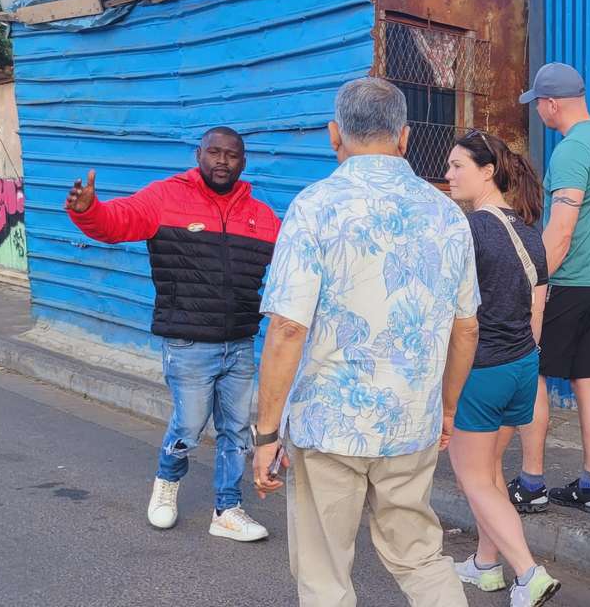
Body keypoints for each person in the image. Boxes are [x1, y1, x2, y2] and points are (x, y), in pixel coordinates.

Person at [250, 77, 478, 607]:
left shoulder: (315, 206)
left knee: (325, 573)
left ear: (336, 135)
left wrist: (265, 434)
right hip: (410, 420)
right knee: (420, 556)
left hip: (329, 426)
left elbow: (287, 327)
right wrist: (446, 408)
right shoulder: (447, 213)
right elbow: (466, 326)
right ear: (404, 136)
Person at [64, 126, 279, 543]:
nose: (221, 161)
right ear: (198, 154)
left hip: (239, 343)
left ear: (243, 162)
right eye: (213, 152)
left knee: (236, 430)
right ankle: (167, 481)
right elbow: (115, 222)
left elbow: (296, 255)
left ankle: (227, 509)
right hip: (188, 343)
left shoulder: (259, 215)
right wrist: (89, 210)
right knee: (189, 425)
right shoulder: (164, 198)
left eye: (231, 155)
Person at [443, 130, 562, 606]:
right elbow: (536, 315)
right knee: (490, 471)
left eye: (457, 166)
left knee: (474, 479)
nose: (448, 174)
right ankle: (485, 565)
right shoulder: (529, 231)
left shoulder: (470, 231)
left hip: (481, 370)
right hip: (521, 368)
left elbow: (453, 316)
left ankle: (528, 573)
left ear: (487, 171)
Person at [511, 62, 590, 515]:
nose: (536, 109)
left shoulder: (572, 151)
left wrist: (533, 280)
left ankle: (532, 483)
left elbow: (560, 231)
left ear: (552, 103)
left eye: (537, 102)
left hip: (571, 282)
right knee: (587, 378)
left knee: (534, 374)